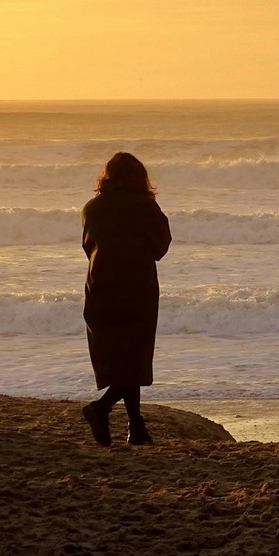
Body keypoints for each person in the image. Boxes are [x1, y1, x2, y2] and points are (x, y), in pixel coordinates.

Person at [79, 152, 172, 447]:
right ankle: (101, 408)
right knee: (135, 359)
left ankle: (136, 427)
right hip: (137, 287)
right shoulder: (145, 206)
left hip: (100, 288)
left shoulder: (91, 208)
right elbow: (161, 245)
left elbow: (88, 246)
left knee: (119, 360)